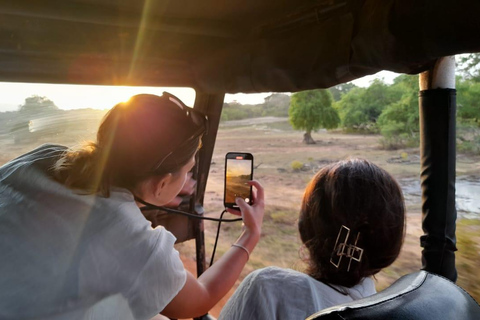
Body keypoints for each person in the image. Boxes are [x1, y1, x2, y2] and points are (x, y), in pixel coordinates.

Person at [0, 93, 265, 320]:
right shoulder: (130, 238)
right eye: (188, 170)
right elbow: (199, 299)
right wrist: (250, 233)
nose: (189, 179)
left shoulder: (44, 156)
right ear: (160, 184)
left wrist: (144, 197)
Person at [219, 158, 405, 320]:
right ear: (391, 243)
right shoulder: (397, 310)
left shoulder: (267, 289)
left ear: (304, 228)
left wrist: (251, 232)